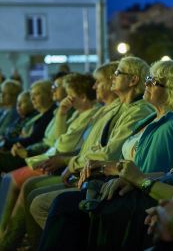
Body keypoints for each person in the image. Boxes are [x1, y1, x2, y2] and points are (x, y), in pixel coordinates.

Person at [38, 48, 173, 250]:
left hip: (166, 204)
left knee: (65, 207)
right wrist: (132, 178)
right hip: (152, 192)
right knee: (66, 207)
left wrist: (140, 181)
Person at [21, 57, 155, 249]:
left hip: (105, 179)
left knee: (40, 199)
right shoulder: (116, 107)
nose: (110, 80)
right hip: (90, 172)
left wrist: (71, 163)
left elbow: (110, 153)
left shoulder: (139, 111)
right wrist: (72, 162)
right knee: (36, 195)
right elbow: (87, 146)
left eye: (117, 73)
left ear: (133, 80)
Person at [0, 73, 99, 249]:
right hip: (52, 155)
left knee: (19, 181)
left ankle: (11, 240)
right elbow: (57, 141)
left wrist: (61, 113)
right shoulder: (74, 113)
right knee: (14, 178)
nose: (66, 97)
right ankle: (8, 236)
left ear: (82, 96)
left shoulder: (88, 113)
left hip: (57, 159)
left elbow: (60, 142)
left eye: (68, 92)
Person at [0, 80, 56, 173]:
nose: (33, 98)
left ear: (50, 95)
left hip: (34, 156)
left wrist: (8, 143)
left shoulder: (51, 114)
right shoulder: (41, 114)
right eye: (31, 95)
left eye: (37, 94)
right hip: (26, 151)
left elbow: (34, 139)